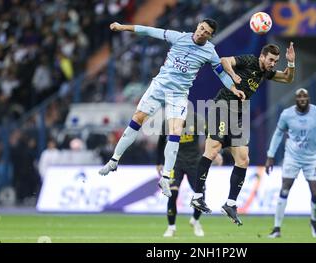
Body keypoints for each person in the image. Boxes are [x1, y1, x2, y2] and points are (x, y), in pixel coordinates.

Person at [98, 19, 241, 198]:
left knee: (175, 131)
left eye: (206, 32)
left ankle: (166, 177)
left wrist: (234, 88)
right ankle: (114, 160)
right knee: (137, 119)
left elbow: (221, 73)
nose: (201, 32)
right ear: (197, 26)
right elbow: (148, 30)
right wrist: (122, 27)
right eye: (201, 28)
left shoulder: (210, 51)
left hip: (179, 95)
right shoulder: (178, 37)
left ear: (210, 36)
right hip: (159, 87)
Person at [190, 43, 296, 226]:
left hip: (239, 114)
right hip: (222, 106)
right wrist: (233, 75)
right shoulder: (249, 60)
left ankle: (230, 204)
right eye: (271, 60)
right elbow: (224, 61)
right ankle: (198, 196)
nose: (273, 64)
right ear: (262, 57)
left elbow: (287, 78)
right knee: (213, 149)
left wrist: (291, 63)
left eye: (276, 61)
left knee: (243, 158)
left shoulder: (265, 72)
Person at [264, 88, 316, 238]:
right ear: (295, 99)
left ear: (309, 98)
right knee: (285, 188)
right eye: (299, 96)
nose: (302, 98)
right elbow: (278, 134)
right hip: (292, 157)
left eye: (305, 96)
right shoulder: (287, 114)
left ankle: (314, 221)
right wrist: (270, 155)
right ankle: (277, 228)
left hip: (312, 158)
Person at [156, 111, 222, 237]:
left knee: (200, 194)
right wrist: (158, 162)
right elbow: (160, 142)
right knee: (172, 193)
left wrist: (215, 152)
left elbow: (210, 135)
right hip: (176, 162)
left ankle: (195, 221)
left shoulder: (197, 119)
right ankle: (171, 227)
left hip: (194, 162)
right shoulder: (170, 121)